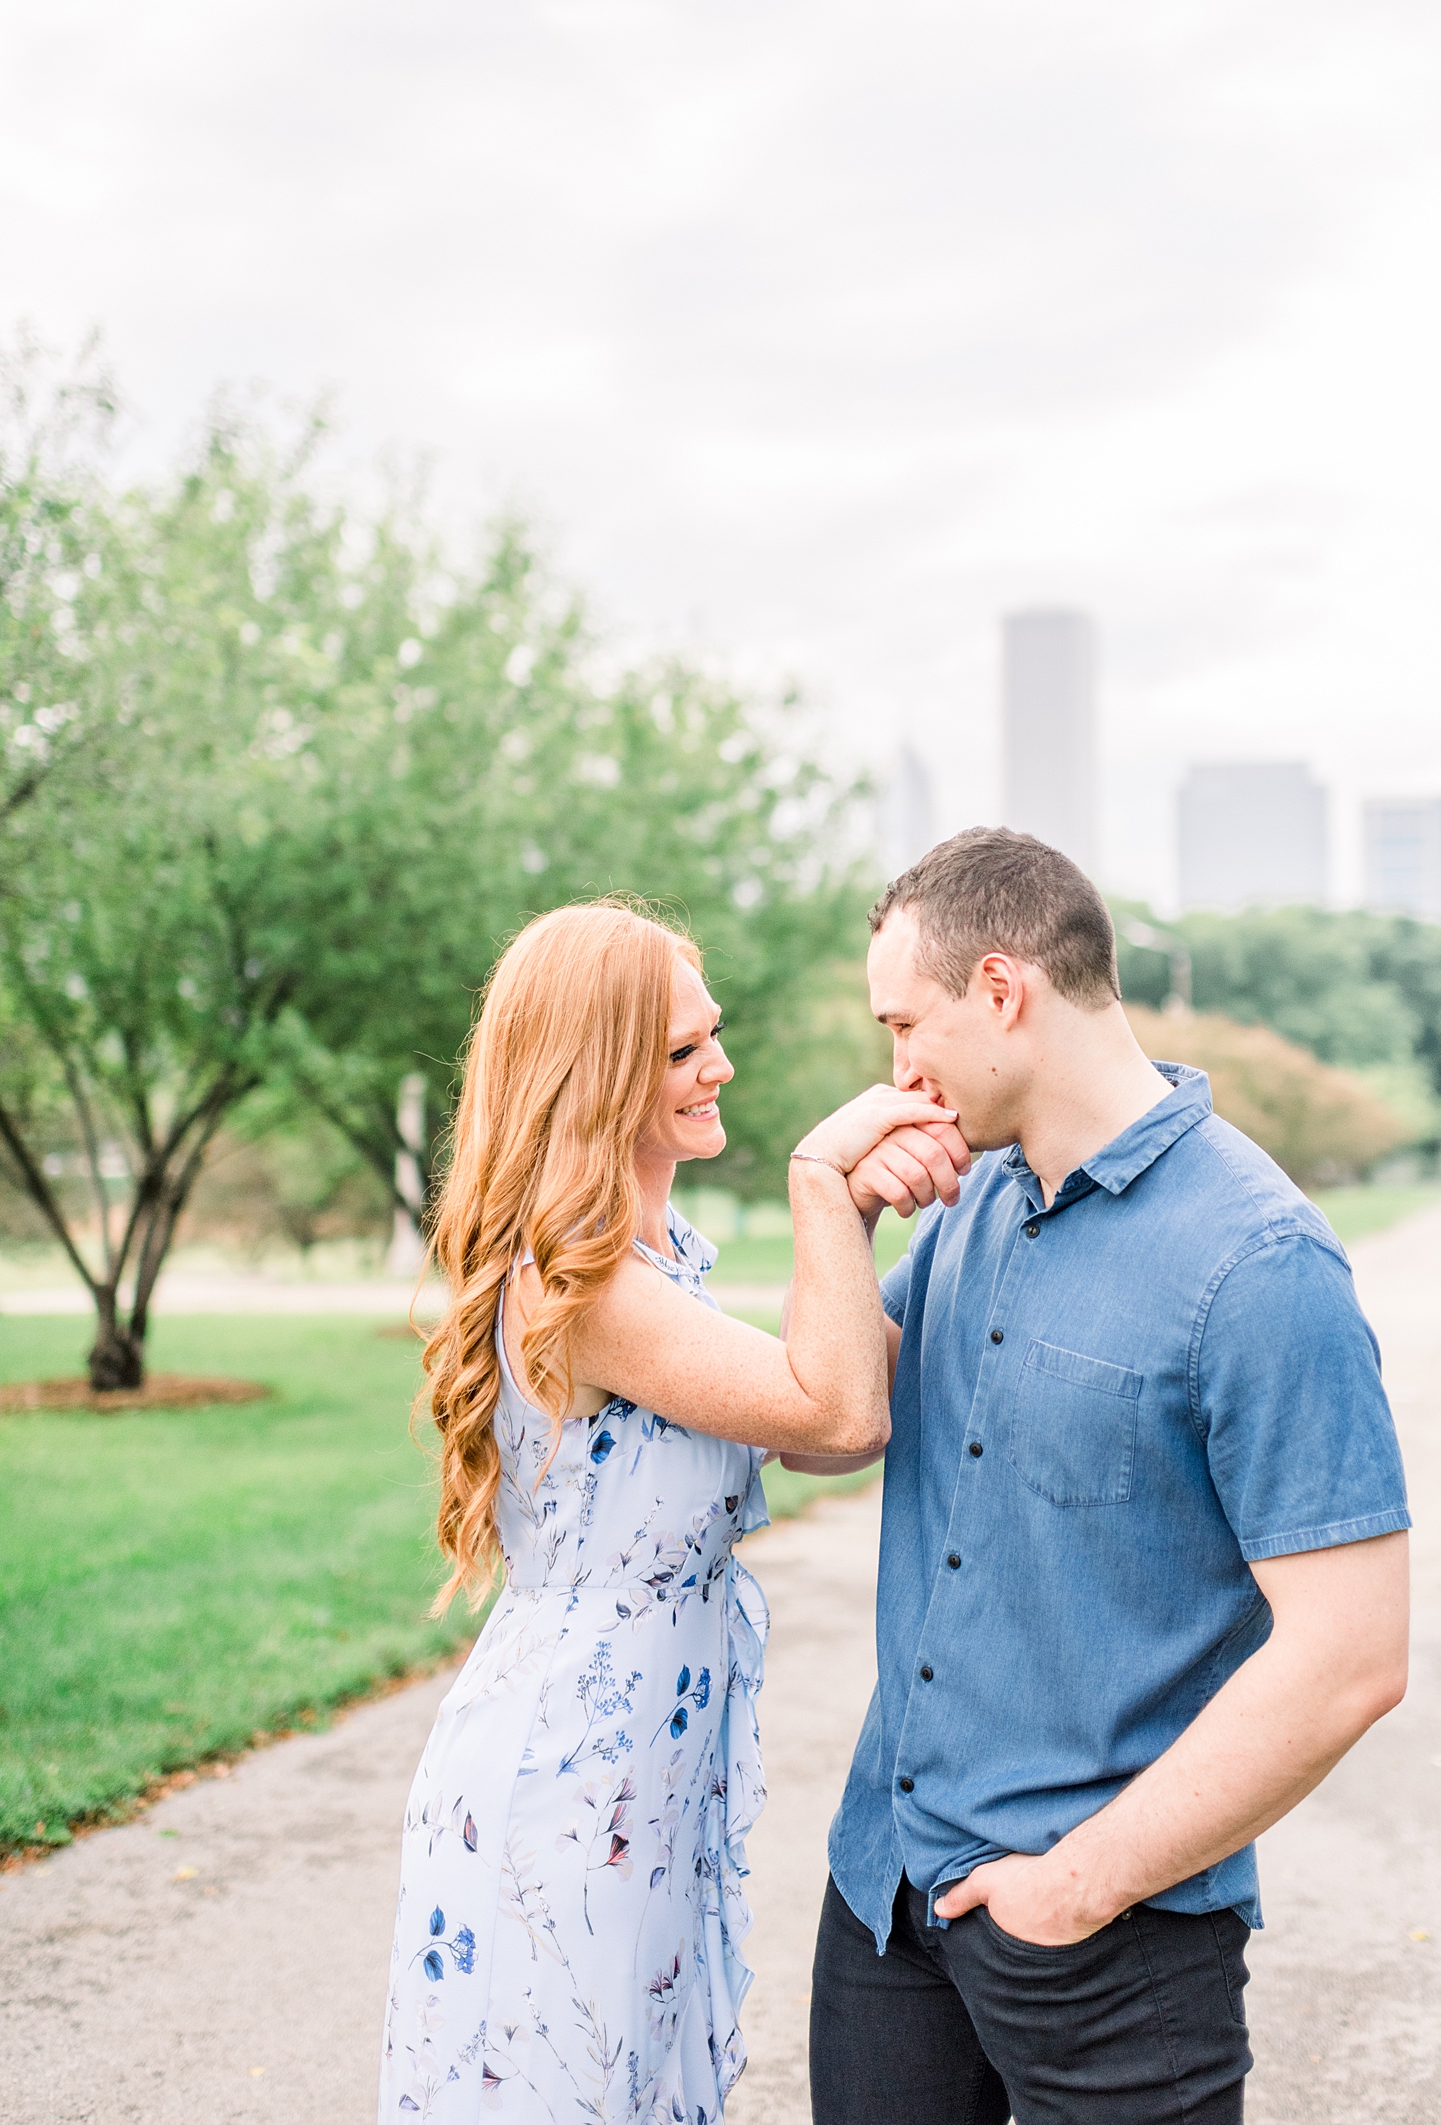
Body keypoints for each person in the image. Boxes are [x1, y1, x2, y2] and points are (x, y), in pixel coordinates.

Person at [802, 828, 1412, 2125]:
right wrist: (832, 1210)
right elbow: (823, 1425)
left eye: (903, 1025)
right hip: (886, 1900)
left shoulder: (1259, 1263)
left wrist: (1076, 1885)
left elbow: (1351, 1656)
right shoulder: (966, 1200)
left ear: (1003, 994)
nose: (893, 1072)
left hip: (1108, 1941)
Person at [377, 896, 965, 2125]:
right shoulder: (578, 1280)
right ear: (595, 1075)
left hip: (645, 1765)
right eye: (684, 1050)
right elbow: (838, 1420)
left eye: (715, 1035)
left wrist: (925, 1201)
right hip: (566, 1775)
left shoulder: (658, 1254)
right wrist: (824, 1183)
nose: (722, 1067)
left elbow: (819, 1428)